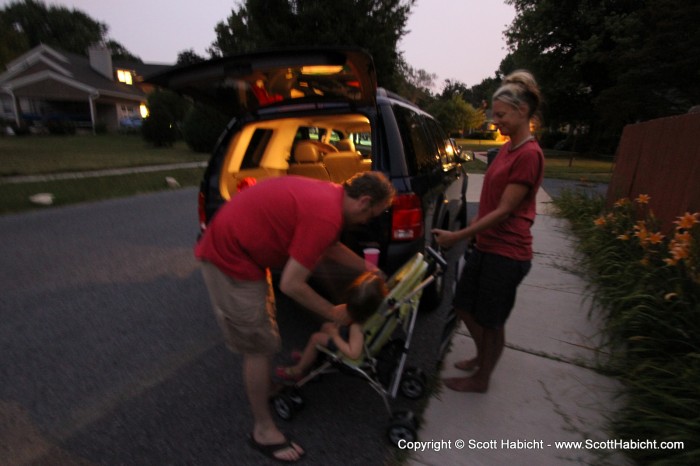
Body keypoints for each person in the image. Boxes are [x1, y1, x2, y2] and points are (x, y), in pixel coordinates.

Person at [196, 172, 395, 462]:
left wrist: (369, 269)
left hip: (248, 254)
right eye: (371, 215)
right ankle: (263, 430)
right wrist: (332, 312)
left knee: (265, 329)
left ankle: (265, 389)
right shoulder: (326, 215)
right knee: (258, 346)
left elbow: (329, 245)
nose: (367, 222)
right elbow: (291, 284)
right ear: (364, 201)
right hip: (229, 258)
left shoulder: (333, 197)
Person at [432, 70, 544, 394]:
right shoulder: (509, 148)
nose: (495, 122)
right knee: (465, 305)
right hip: (487, 246)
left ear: (522, 111)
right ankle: (483, 356)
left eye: (500, 115)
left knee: (492, 322)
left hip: (507, 252)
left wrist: (458, 235)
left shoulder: (528, 154)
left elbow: (504, 211)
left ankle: (482, 377)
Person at [275, 272, 388, 381]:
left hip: (346, 344)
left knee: (316, 338)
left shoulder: (356, 328)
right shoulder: (376, 308)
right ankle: (309, 357)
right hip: (350, 337)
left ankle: (298, 370)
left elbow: (354, 354)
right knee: (326, 326)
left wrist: (335, 336)